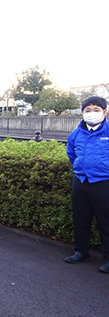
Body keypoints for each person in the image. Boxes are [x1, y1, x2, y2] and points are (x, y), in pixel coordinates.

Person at [65, 96, 109, 273]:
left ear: (105, 112)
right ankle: (81, 252)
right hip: (81, 181)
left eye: (96, 110)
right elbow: (71, 154)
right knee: (80, 218)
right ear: (82, 113)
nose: (92, 113)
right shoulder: (75, 134)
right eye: (88, 110)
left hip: (103, 182)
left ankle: (107, 259)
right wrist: (81, 169)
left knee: (105, 222)